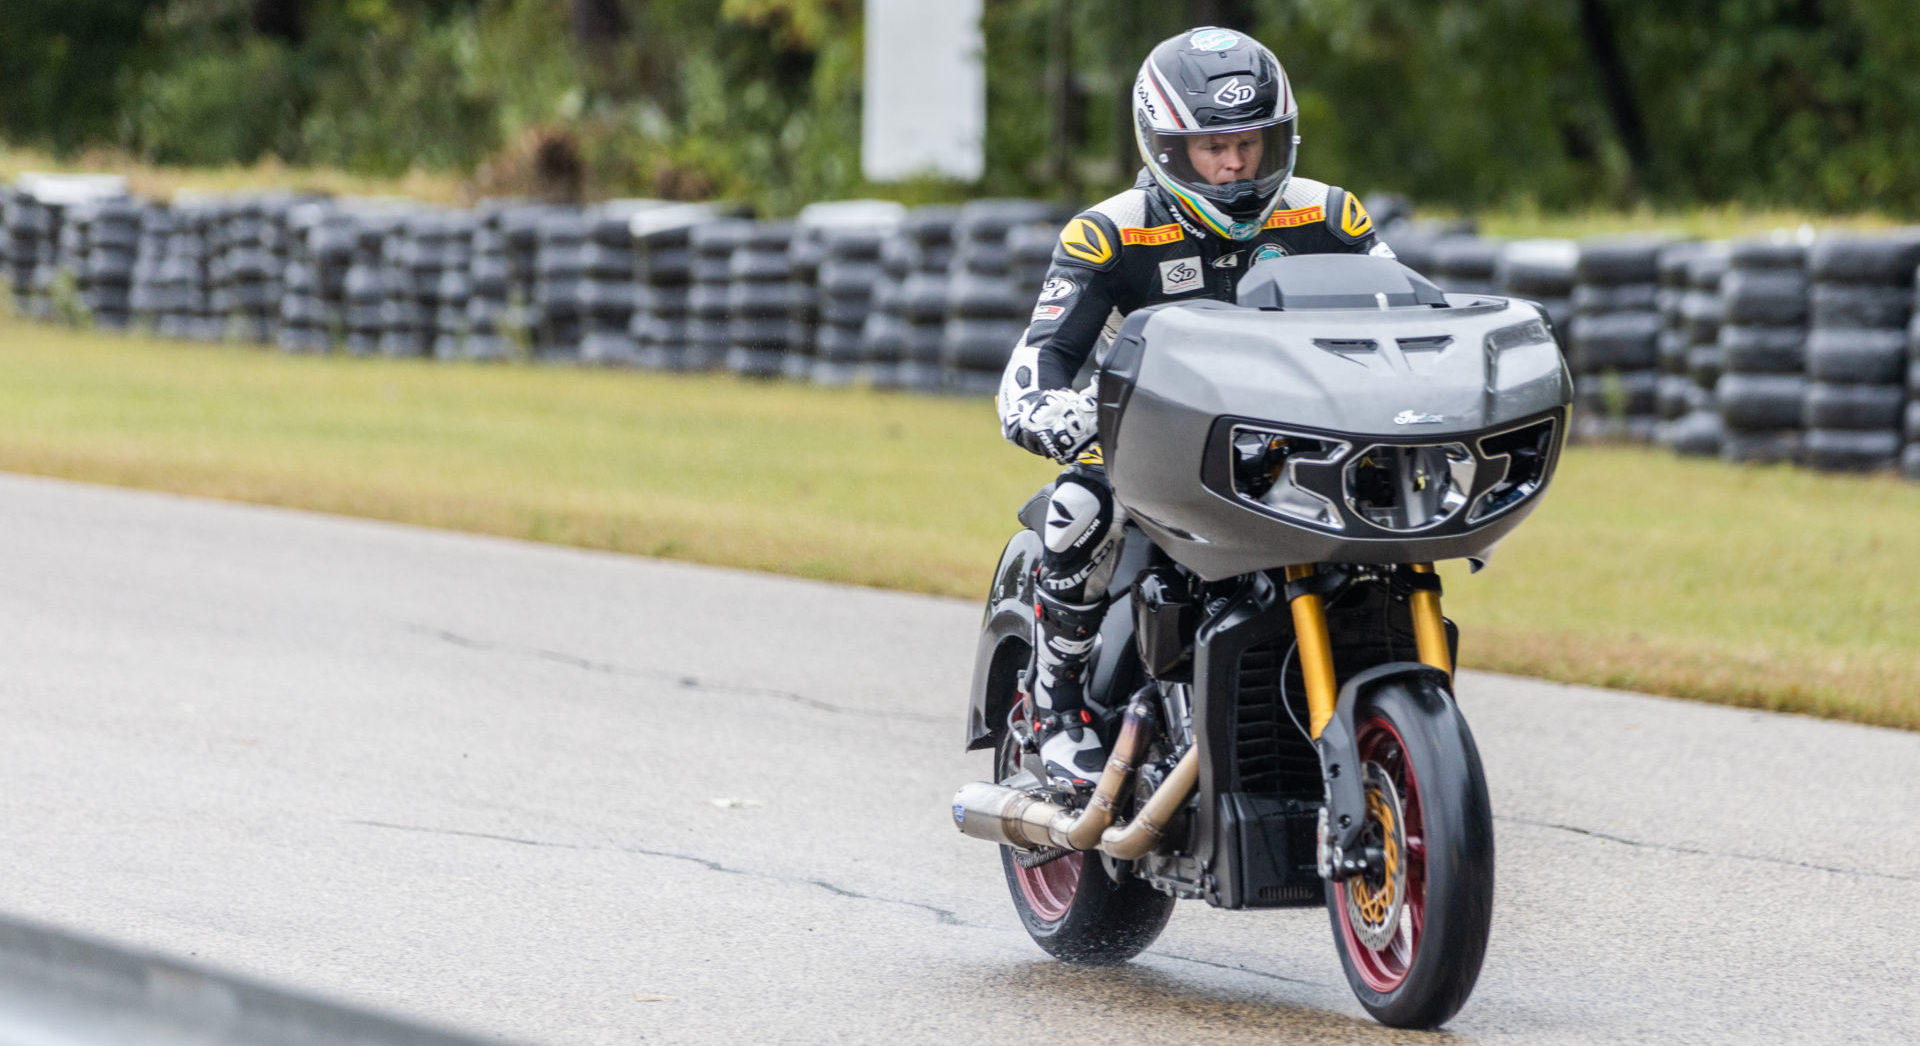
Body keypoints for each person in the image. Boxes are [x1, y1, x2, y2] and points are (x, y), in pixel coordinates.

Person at [997, 26, 1394, 786]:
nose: (1237, 164)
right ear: (1167, 148)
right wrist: (1053, 409)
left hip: (1294, 444)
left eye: (1254, 142)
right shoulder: (1108, 234)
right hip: (1148, 445)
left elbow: (1407, 315)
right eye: (1215, 147)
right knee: (1078, 506)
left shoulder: (1329, 217)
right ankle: (1059, 711)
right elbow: (1037, 360)